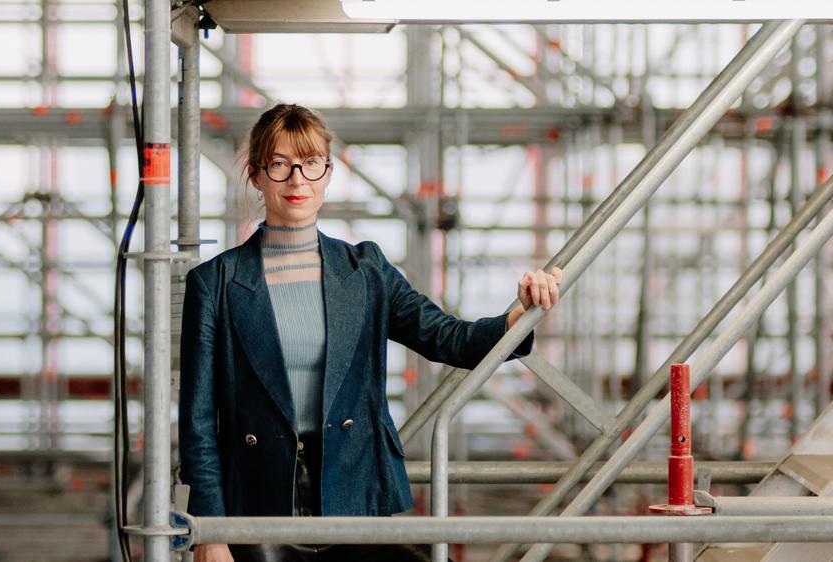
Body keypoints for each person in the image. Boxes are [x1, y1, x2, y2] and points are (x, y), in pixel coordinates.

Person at [179, 104, 562, 562]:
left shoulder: (366, 270)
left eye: (311, 163)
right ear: (257, 176)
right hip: (255, 499)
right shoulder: (216, 282)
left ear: (328, 172)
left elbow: (447, 338)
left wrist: (518, 315)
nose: (297, 179)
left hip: (351, 485)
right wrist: (209, 529)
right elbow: (198, 422)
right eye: (280, 164)